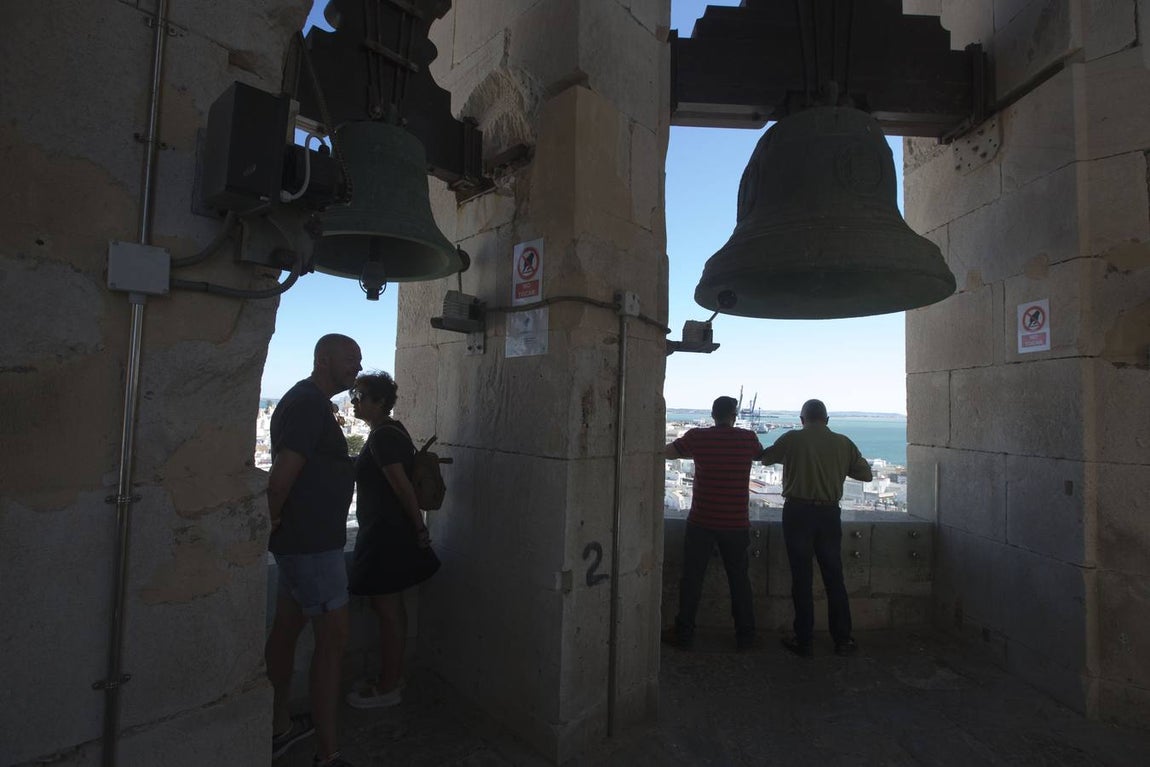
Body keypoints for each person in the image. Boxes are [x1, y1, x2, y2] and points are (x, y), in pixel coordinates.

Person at [265, 333, 361, 767]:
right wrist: (275, 517)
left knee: (287, 632)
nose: (357, 366)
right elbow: (283, 475)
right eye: (350, 359)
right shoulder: (308, 404)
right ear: (323, 359)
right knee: (333, 641)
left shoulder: (309, 402)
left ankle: (276, 726)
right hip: (313, 545)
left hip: (299, 544)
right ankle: (329, 753)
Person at [344, 371, 440, 709]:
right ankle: (393, 677)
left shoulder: (383, 437)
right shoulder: (392, 431)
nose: (354, 401)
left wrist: (419, 527)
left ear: (380, 402)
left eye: (361, 395)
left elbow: (400, 486)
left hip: (386, 535)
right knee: (392, 608)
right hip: (391, 531)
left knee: (387, 610)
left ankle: (388, 685)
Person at [759, 399, 873, 658]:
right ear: (827, 420)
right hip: (829, 514)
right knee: (834, 577)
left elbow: (766, 460)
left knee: (801, 578)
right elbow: (866, 475)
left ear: (802, 420)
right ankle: (842, 639)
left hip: (797, 513)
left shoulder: (792, 439)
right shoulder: (843, 442)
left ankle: (804, 640)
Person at [663, 396, 764, 650]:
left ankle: (684, 633)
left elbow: (669, 453)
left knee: (692, 579)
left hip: (702, 520)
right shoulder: (747, 439)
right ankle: (746, 635)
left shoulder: (698, 437)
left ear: (712, 414)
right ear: (735, 415)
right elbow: (762, 456)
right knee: (739, 580)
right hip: (736, 523)